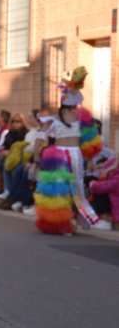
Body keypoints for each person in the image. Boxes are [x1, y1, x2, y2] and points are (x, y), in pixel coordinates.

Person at [34, 66, 103, 234]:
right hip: (59, 156)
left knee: (77, 188)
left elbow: (88, 143)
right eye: (76, 104)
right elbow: (40, 137)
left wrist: (92, 161)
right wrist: (37, 156)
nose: (78, 106)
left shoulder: (82, 119)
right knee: (59, 190)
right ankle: (57, 223)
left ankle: (81, 219)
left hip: (76, 156)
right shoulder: (53, 120)